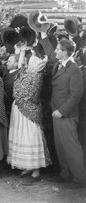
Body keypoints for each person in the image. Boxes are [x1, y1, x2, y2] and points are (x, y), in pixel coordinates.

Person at [7, 53, 52, 183]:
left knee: (31, 139)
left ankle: (36, 171)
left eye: (30, 62)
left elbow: (28, 95)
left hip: (29, 114)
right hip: (20, 111)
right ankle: (26, 166)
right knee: (21, 137)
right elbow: (20, 68)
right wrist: (22, 51)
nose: (27, 64)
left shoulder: (36, 76)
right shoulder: (26, 73)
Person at [51, 39, 86, 188]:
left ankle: (80, 178)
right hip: (57, 112)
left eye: (58, 49)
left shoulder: (74, 69)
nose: (55, 51)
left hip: (66, 114)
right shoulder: (58, 65)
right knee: (61, 147)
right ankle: (65, 174)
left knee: (72, 148)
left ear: (65, 52)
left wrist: (62, 110)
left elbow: (76, 94)